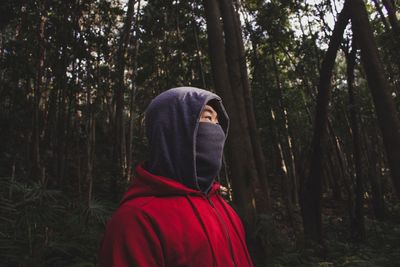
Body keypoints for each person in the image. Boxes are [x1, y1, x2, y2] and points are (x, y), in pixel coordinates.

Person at [99, 87, 254, 267]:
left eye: (217, 121)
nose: (216, 129)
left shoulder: (225, 209)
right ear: (173, 128)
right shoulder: (134, 222)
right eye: (207, 118)